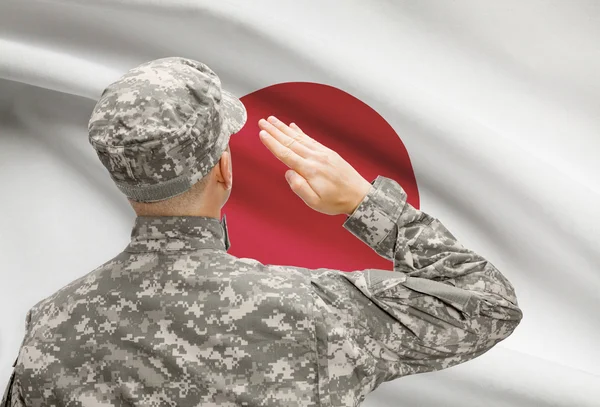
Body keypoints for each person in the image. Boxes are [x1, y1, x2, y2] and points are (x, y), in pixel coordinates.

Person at [1, 57, 523, 407]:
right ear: (223, 167)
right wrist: (366, 203)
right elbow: (488, 303)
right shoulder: (315, 312)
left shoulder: (51, 326)